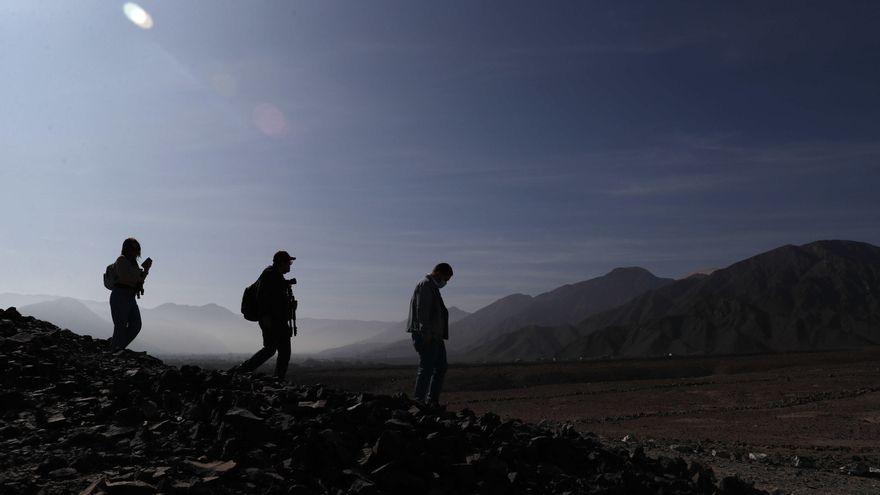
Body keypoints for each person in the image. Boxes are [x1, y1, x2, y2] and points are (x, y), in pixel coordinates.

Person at [235, 251, 296, 379]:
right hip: (272, 320)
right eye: (288, 262)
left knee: (280, 351)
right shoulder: (270, 276)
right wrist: (265, 317)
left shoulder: (276, 276)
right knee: (272, 349)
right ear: (281, 263)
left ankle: (277, 379)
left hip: (278, 320)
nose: (290, 265)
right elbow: (261, 297)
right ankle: (242, 371)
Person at [407, 262, 453, 407]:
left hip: (436, 335)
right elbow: (422, 310)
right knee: (426, 367)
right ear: (438, 273)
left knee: (440, 367)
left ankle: (432, 401)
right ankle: (419, 401)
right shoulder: (426, 285)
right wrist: (425, 333)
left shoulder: (432, 287)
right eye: (446, 278)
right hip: (428, 334)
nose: (445, 282)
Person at [110, 237, 152, 351]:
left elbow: (139, 280)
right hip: (120, 295)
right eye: (133, 248)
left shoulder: (134, 265)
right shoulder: (121, 260)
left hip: (130, 296)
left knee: (136, 325)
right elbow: (126, 276)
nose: (136, 251)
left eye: (137, 249)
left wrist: (146, 270)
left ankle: (117, 347)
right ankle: (115, 350)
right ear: (126, 248)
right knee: (120, 326)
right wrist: (139, 275)